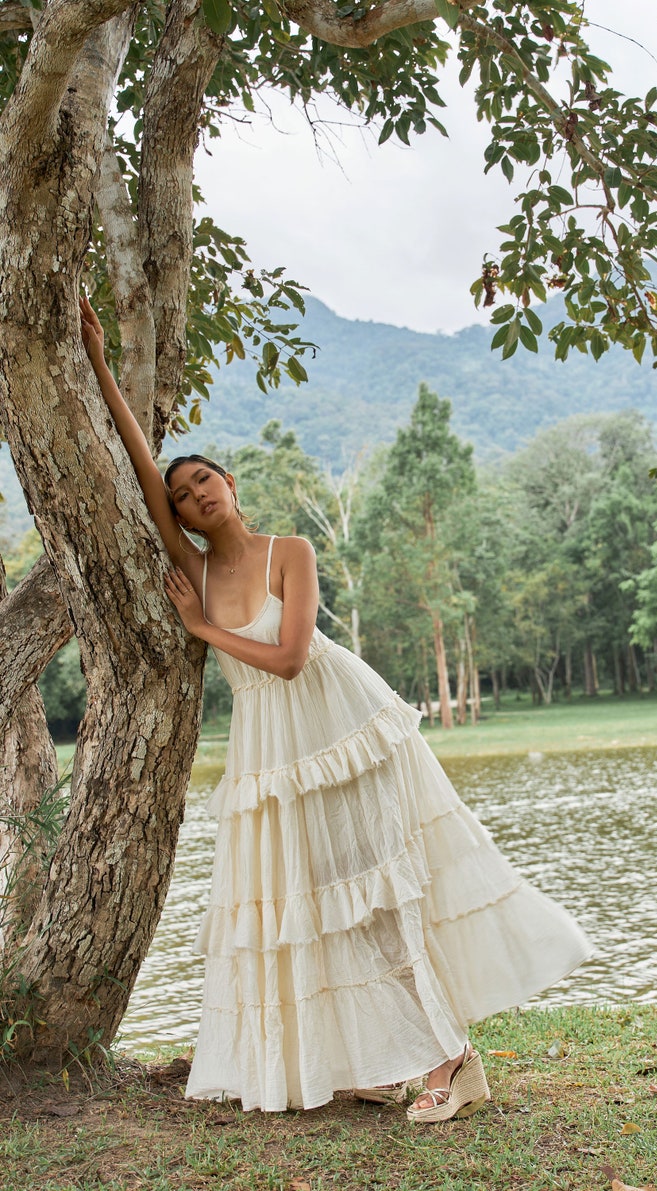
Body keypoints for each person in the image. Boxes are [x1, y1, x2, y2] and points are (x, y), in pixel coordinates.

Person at [80, 296, 592, 1120]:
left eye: (204, 477)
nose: (192, 493)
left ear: (231, 482)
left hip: (338, 726)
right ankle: (376, 1055)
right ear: (176, 515)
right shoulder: (196, 564)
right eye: (181, 494)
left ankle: (452, 1060)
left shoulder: (292, 551)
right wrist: (101, 367)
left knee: (380, 892)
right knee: (311, 906)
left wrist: (205, 629)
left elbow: (288, 658)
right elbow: (139, 473)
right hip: (269, 752)